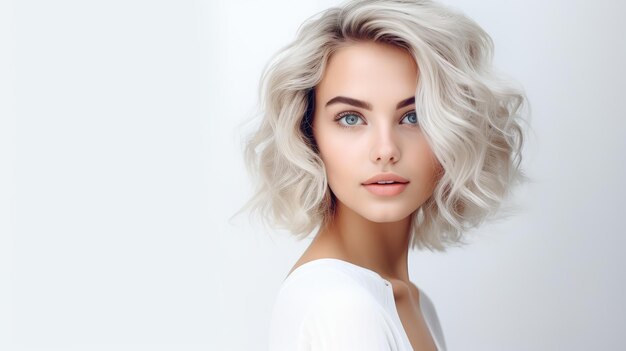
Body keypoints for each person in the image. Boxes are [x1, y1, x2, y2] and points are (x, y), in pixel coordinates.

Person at [240, 0, 528, 350]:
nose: (385, 149)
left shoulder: (412, 303)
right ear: (308, 133)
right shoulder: (343, 307)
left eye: (413, 116)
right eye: (350, 118)